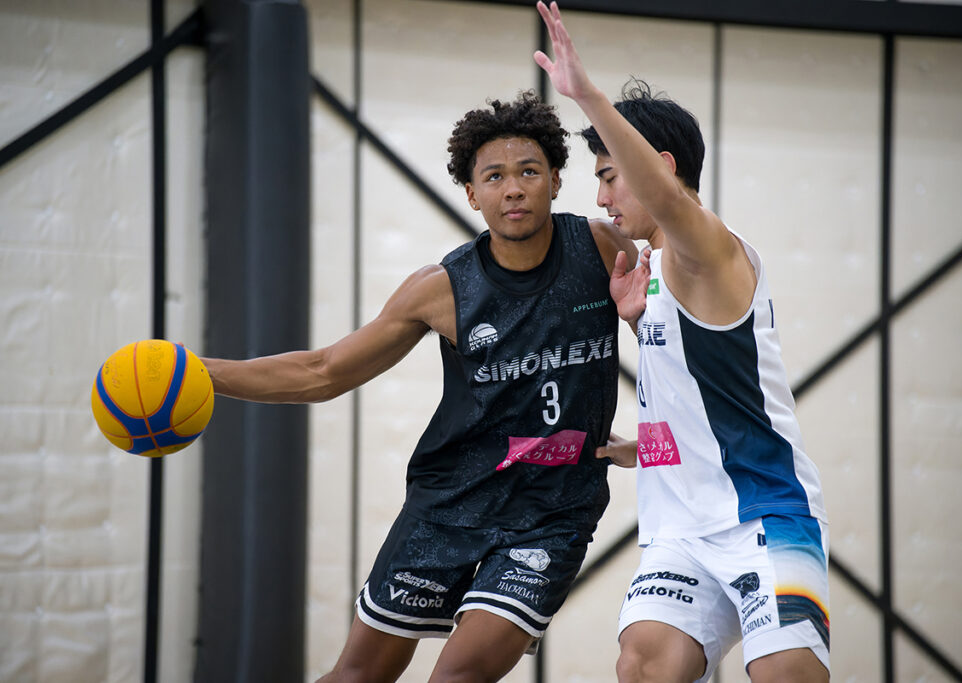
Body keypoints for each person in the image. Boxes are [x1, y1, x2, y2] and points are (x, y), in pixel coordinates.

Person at [202, 91, 642, 682]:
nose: (513, 189)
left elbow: (675, 349)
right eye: (494, 176)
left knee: (456, 676)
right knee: (356, 676)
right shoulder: (441, 288)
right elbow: (324, 371)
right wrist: (202, 373)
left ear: (557, 181)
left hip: (553, 512)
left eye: (529, 171)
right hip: (450, 504)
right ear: (472, 193)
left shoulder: (602, 249)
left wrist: (657, 444)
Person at [534, 3, 831, 682]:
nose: (602, 198)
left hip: (763, 514)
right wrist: (643, 433)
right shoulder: (654, 274)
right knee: (643, 661)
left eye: (609, 175)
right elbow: (702, 390)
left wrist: (588, 95)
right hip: (682, 532)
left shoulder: (707, 248)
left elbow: (669, 202)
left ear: (658, 167)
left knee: (784, 673)